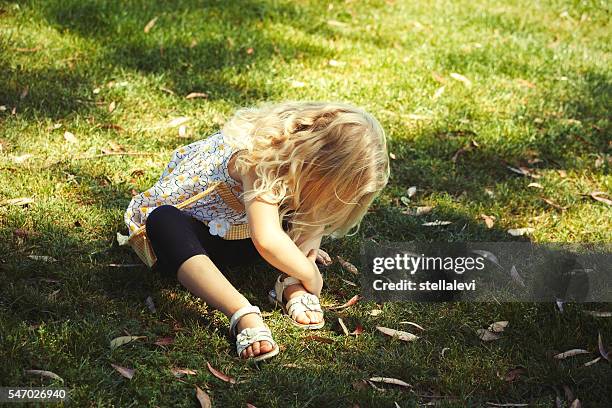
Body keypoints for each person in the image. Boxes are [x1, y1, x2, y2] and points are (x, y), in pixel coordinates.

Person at [123, 100, 390, 361]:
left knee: (309, 205)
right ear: (315, 160)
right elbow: (267, 240)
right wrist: (310, 272)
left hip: (242, 234)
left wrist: (302, 257)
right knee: (163, 220)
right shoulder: (257, 159)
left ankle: (291, 284)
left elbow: (311, 213)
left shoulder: (301, 169)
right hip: (193, 243)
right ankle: (241, 312)